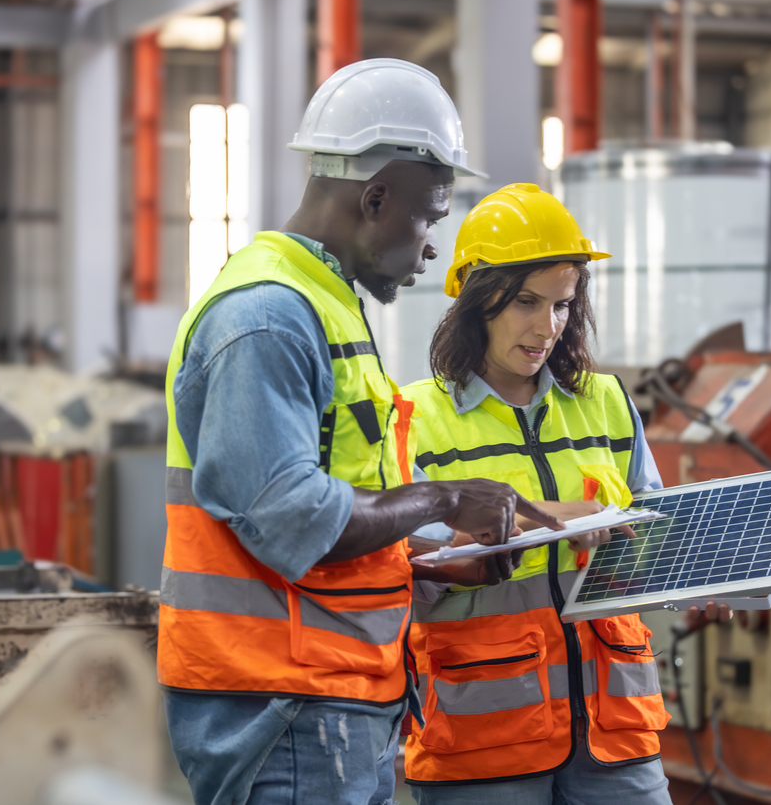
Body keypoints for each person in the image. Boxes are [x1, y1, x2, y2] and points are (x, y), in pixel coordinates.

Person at [158, 61, 560, 805]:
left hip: (331, 701)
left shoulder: (326, 305)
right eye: (428, 219)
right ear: (375, 197)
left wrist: (426, 565)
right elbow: (291, 516)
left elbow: (345, 504)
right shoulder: (267, 317)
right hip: (281, 711)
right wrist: (442, 500)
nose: (432, 248)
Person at [401, 184, 730, 803]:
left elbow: (648, 525)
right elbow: (410, 571)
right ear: (478, 300)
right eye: (526, 301)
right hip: (485, 734)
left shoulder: (604, 402)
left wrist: (702, 578)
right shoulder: (418, 417)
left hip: (614, 731)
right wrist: (544, 523)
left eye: (561, 305)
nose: (545, 326)